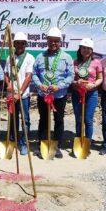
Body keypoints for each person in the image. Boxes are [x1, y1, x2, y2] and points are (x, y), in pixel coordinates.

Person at [32, 27, 74, 159]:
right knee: (43, 120)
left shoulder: (66, 57)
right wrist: (39, 85)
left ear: (60, 42)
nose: (53, 43)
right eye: (51, 41)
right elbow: (34, 74)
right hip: (43, 96)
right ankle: (42, 145)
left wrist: (59, 86)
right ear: (47, 41)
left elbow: (71, 76)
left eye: (56, 41)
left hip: (59, 96)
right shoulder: (40, 57)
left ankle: (57, 146)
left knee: (58, 120)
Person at [4, 32, 35, 155]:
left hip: (23, 96)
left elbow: (28, 77)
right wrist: (8, 85)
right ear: (14, 44)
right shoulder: (9, 57)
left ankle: (24, 143)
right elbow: (6, 74)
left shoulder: (29, 58)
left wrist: (20, 92)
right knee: (13, 119)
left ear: (25, 44)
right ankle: (13, 141)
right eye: (17, 43)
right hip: (11, 95)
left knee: (25, 120)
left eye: (22, 43)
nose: (19, 45)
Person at [71, 38, 103, 148]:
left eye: (88, 48)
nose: (86, 50)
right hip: (77, 94)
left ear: (92, 50)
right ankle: (79, 141)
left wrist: (93, 85)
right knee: (79, 119)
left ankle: (87, 143)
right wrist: (76, 82)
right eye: (83, 48)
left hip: (91, 94)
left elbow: (100, 78)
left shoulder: (96, 62)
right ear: (80, 49)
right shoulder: (75, 62)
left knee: (88, 119)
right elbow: (71, 78)